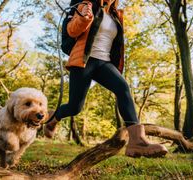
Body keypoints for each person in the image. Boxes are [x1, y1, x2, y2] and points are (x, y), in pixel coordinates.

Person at [45, 0, 168, 157]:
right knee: (75, 107)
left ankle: (137, 141)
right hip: (84, 60)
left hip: (104, 63)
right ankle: (53, 118)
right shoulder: (85, 5)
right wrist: (84, 18)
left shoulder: (116, 15)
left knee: (123, 88)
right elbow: (72, 31)